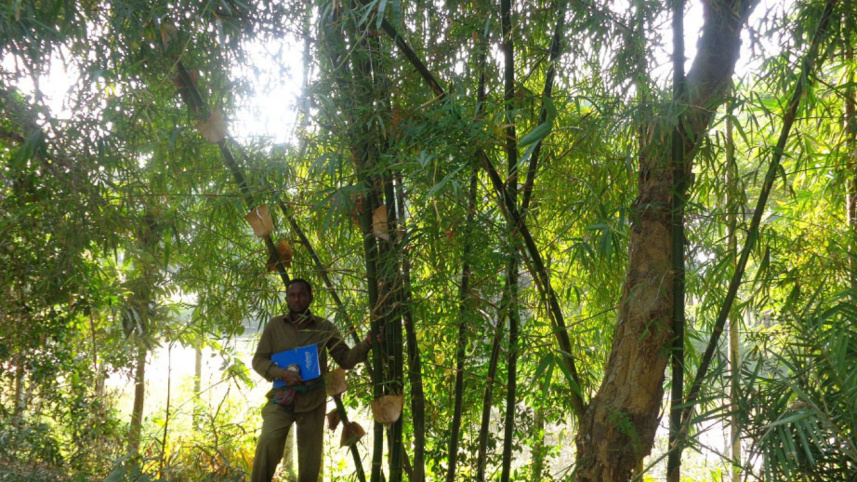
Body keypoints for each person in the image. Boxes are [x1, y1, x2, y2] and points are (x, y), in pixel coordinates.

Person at [251, 278, 372, 482]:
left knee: (310, 459)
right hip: (282, 398)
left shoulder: (324, 328)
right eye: (292, 295)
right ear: (287, 298)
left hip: (313, 400)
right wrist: (282, 373)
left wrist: (366, 344)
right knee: (268, 441)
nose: (297, 299)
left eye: (302, 295)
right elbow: (258, 361)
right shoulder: (274, 327)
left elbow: (345, 359)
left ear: (310, 297)